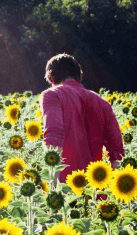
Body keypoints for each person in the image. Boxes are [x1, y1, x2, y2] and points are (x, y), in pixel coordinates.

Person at [40, 53, 125, 195]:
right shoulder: (103, 103)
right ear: (79, 76)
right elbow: (116, 151)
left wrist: (53, 187)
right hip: (96, 192)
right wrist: (115, 195)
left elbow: (53, 137)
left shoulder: (52, 95)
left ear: (51, 78)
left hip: (66, 190)